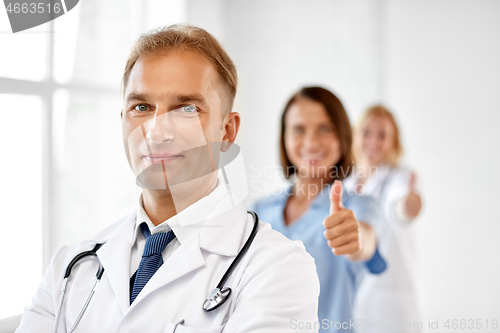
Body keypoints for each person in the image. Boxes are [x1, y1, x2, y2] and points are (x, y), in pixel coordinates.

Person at [16, 24, 320, 333]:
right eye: (142, 107)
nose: (157, 131)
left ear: (227, 132)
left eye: (187, 108)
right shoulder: (70, 268)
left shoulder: (278, 268)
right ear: (123, 121)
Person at [249, 87, 386, 333]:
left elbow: (366, 242)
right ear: (285, 138)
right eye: (299, 130)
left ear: (342, 136)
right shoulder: (259, 212)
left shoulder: (357, 206)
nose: (312, 142)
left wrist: (355, 239)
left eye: (325, 128)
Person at [343, 105, 425, 333]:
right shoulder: (344, 184)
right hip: (353, 299)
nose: (373, 141)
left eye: (382, 135)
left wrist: (406, 206)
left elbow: (397, 204)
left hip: (391, 300)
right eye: (366, 132)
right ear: (354, 136)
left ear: (394, 142)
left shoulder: (400, 178)